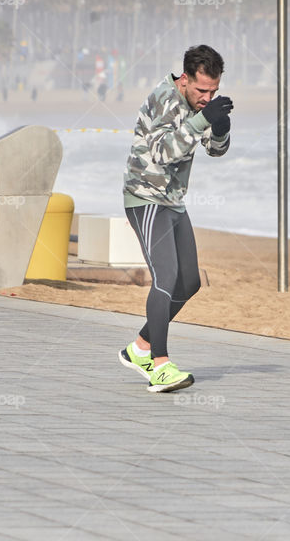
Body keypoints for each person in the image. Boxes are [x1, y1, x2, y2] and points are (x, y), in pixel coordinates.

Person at [118, 44, 233, 393]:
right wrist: (203, 119)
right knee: (166, 278)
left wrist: (220, 127)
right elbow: (162, 153)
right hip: (145, 198)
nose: (206, 97)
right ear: (184, 79)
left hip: (173, 201)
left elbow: (215, 150)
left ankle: (139, 347)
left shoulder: (199, 105)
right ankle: (160, 366)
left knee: (189, 283)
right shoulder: (163, 99)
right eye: (201, 90)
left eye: (213, 91)